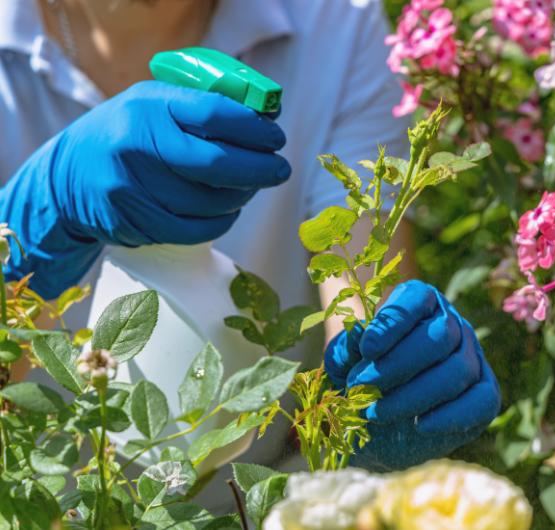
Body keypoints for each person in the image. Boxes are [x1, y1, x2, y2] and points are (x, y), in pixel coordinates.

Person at [0, 0, 500, 481]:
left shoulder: (333, 21)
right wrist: (38, 218)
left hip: (250, 503)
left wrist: (390, 377)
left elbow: (360, 289)